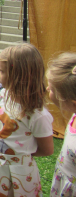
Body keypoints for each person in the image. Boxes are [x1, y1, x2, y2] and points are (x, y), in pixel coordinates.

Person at [0, 44, 54, 197]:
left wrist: (18, 155)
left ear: (18, 76)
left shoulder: (37, 115)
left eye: (2, 71)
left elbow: (47, 149)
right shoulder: (5, 94)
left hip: (18, 172)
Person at [46, 52, 76, 196]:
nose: (47, 89)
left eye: (51, 89)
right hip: (63, 183)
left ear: (72, 102)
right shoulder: (74, 115)